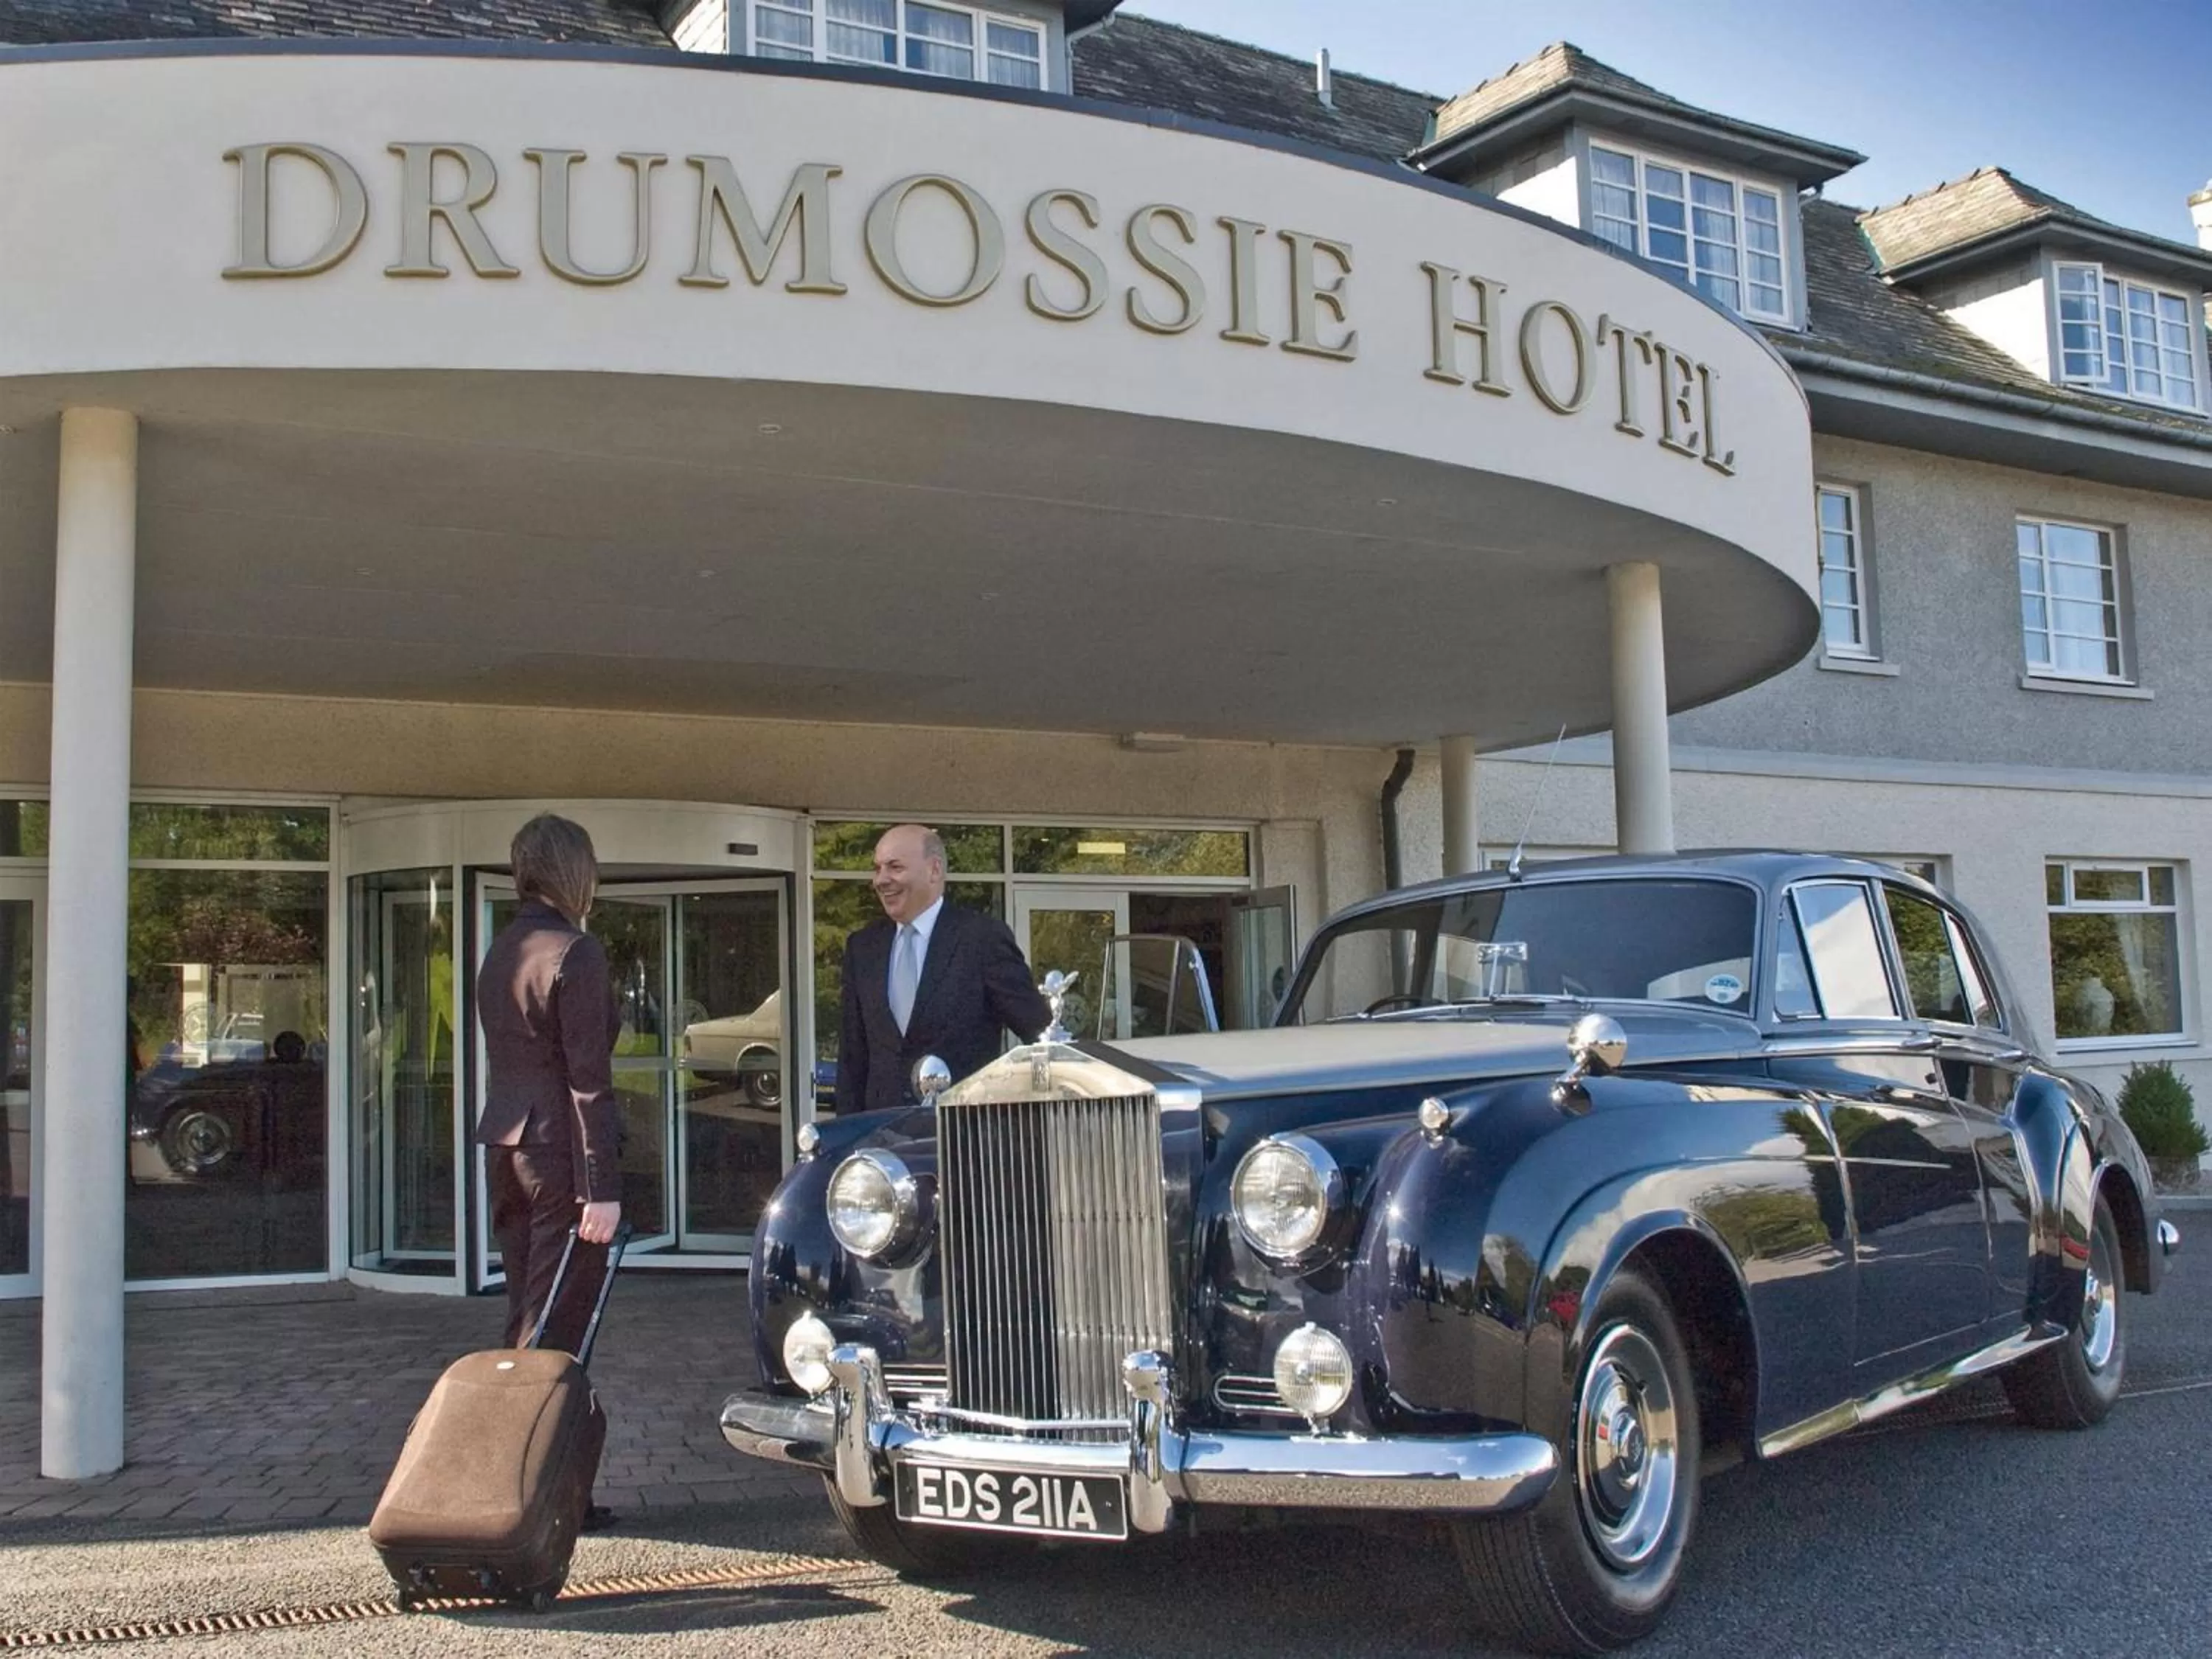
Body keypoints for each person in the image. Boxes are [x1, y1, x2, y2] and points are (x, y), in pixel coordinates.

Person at [475, 813, 622, 1355]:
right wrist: (601, 1189)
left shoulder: (502, 951)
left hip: (507, 1147)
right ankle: (533, 1434)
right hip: (559, 1155)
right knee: (557, 1321)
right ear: (576, 871)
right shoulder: (575, 951)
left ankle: (515, 1427)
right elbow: (588, 1080)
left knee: (526, 1309)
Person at [838, 824, 1052, 1113]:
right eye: (877, 869)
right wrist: (848, 1138)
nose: (881, 880)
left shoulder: (981, 938)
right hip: (882, 1139)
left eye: (895, 867)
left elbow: (1039, 1035)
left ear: (934, 870)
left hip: (964, 1137)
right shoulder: (863, 948)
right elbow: (853, 1059)